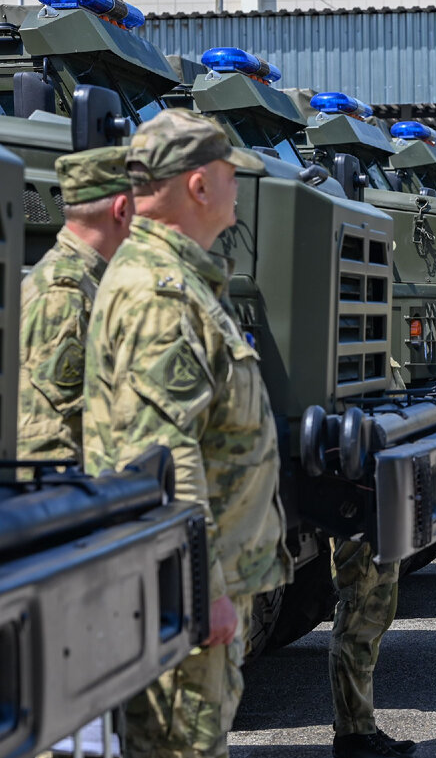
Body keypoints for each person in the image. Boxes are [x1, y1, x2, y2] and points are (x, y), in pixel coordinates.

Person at [82, 108, 293, 758]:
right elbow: (163, 453)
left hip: (195, 583)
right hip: (182, 596)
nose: (238, 190)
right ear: (199, 186)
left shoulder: (180, 280)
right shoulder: (161, 291)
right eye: (232, 175)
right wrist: (201, 592)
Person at [19, 147, 133, 466]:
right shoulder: (63, 294)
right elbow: (45, 440)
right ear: (122, 210)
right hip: (57, 501)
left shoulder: (86, 281)